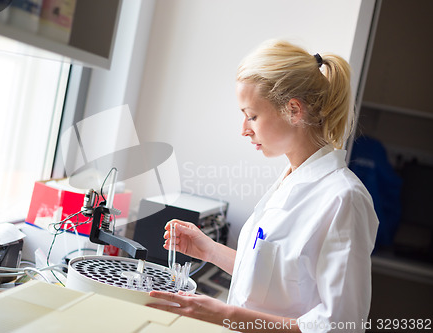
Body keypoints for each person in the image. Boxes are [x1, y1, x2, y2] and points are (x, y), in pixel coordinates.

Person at [147, 39, 379, 333]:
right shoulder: (289, 181)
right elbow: (278, 280)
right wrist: (210, 251)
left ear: (294, 110)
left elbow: (341, 324)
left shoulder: (343, 199)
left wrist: (227, 316)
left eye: (252, 116)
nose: (244, 129)